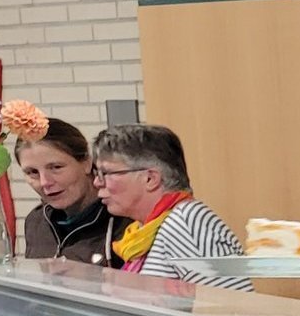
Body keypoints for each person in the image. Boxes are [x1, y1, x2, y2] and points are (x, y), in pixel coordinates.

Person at [87, 124, 249, 289]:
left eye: (106, 173)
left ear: (150, 179)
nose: (97, 182)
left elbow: (233, 309)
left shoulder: (187, 222)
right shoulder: (147, 230)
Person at [14, 114, 121, 264]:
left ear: (86, 163)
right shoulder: (36, 222)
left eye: (56, 167)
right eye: (32, 172)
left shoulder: (123, 221)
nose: (45, 182)